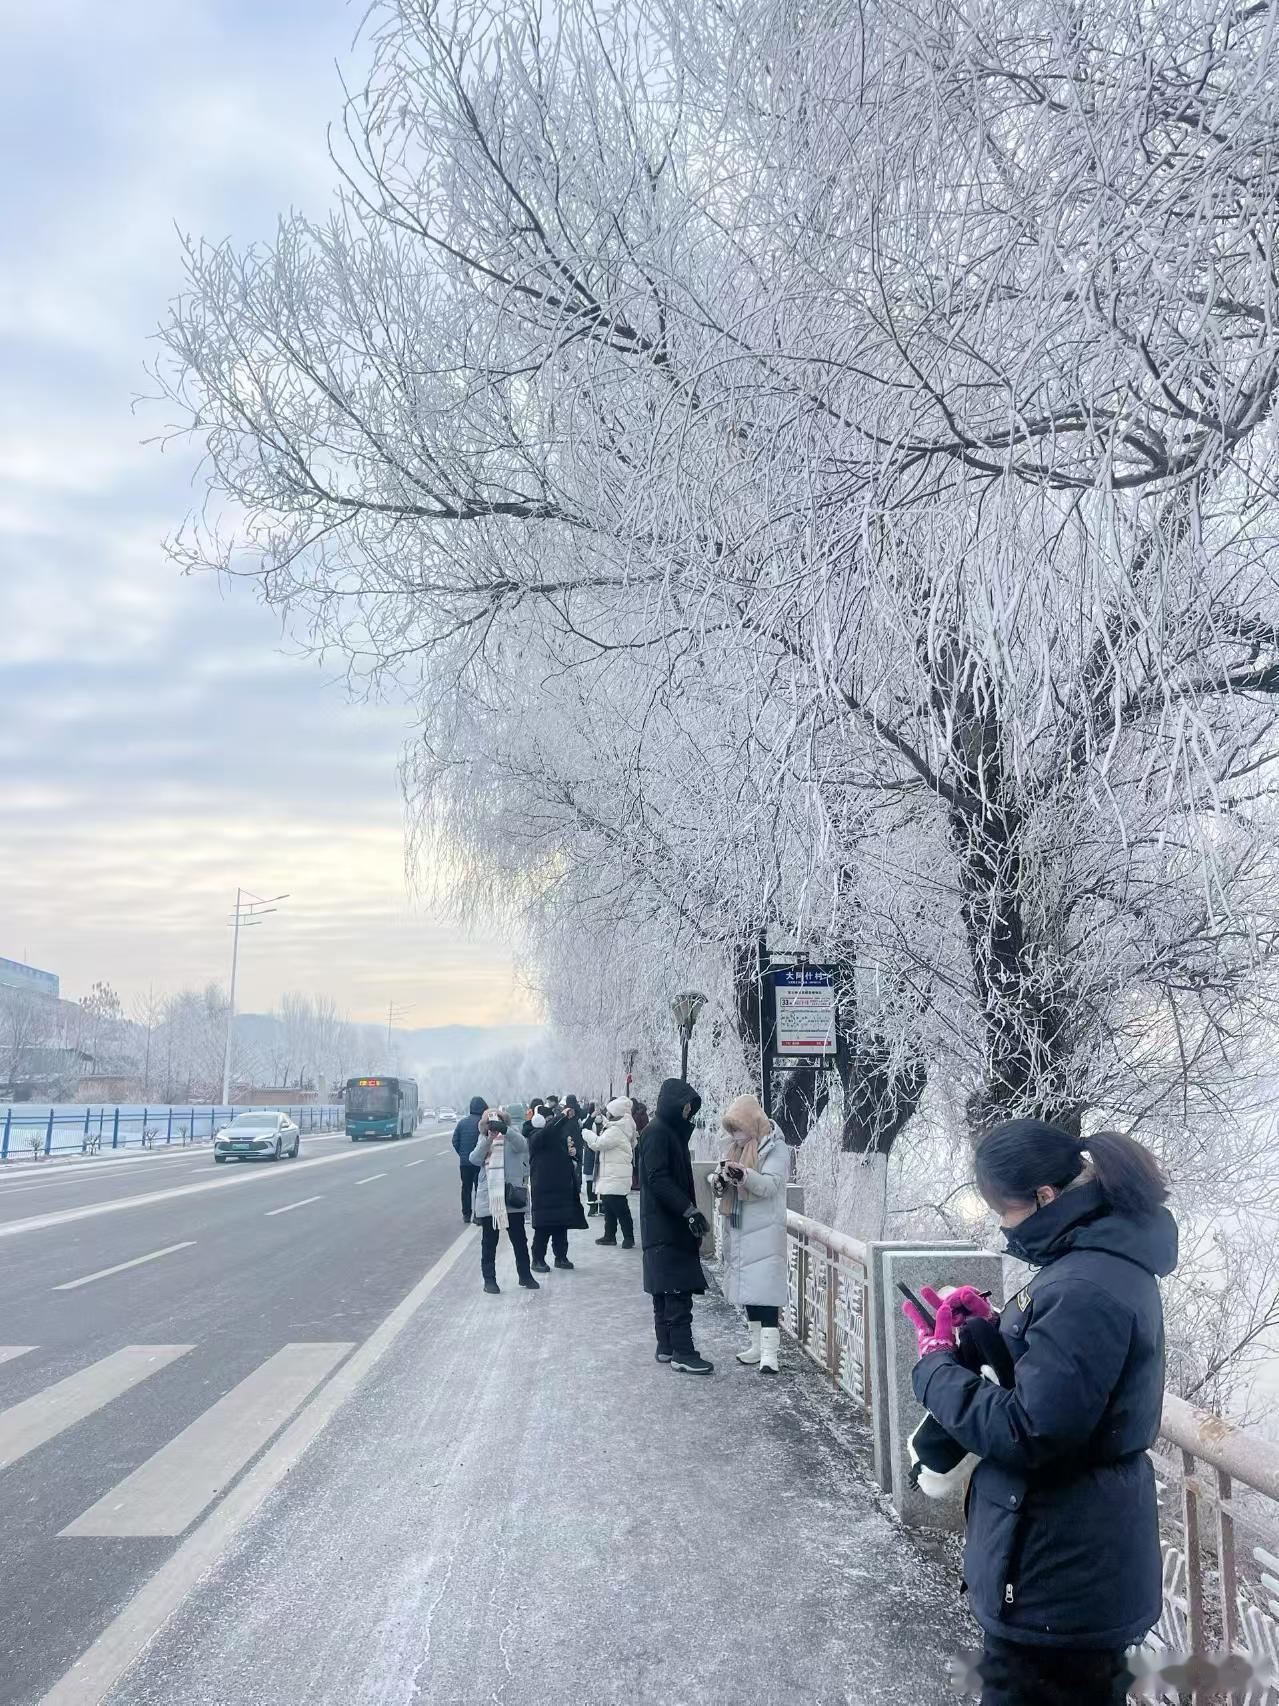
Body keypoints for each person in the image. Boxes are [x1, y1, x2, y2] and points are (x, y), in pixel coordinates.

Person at [902, 1119, 1177, 1706]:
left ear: (1045, 1198)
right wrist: (994, 1326)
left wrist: (933, 1369)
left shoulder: (1085, 1285)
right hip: (1070, 1560)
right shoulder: (1097, 1259)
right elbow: (1065, 1382)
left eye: (1002, 1211)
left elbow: (1029, 1428)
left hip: (1059, 1570)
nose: (1002, 1227)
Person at [708, 1093, 788, 1374]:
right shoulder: (734, 1148)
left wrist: (744, 1176)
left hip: (765, 1229)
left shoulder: (775, 1148)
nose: (736, 1135)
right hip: (741, 1225)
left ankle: (770, 1353)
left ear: (752, 1124)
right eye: (732, 1130)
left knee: (765, 1291)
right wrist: (720, 1178)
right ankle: (756, 1346)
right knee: (749, 1291)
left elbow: (770, 1186)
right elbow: (724, 1178)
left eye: (739, 1129)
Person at [638, 1077, 712, 1374]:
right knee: (676, 1288)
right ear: (672, 1105)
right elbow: (658, 1179)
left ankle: (667, 1346)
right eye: (684, 1108)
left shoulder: (663, 1132)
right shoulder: (658, 1133)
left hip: (661, 1222)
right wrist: (689, 1211)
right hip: (666, 1223)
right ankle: (683, 1351)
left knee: (664, 1287)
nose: (687, 1114)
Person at [470, 1108, 539, 1295]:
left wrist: (505, 1130)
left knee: (519, 1240)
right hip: (490, 1197)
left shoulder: (512, 1134)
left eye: (498, 1120)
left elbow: (523, 1146)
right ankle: (489, 1280)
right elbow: (474, 1159)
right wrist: (488, 1138)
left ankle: (525, 1275)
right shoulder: (483, 1139)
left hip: (511, 1196)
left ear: (504, 1120)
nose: (494, 1124)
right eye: (490, 1121)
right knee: (489, 1242)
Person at [528, 1099, 588, 1271]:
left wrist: (572, 1158)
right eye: (548, 1120)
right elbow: (548, 1131)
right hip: (544, 1188)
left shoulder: (557, 1137)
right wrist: (561, 1116)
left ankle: (561, 1257)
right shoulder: (535, 1136)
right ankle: (537, 1259)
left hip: (561, 1187)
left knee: (561, 1225)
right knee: (544, 1226)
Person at [587, 1096, 637, 1248]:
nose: (606, 1114)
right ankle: (610, 1235)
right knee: (609, 1205)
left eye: (608, 1111)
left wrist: (586, 1133)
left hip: (616, 1174)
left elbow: (598, 1143)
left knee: (619, 1207)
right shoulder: (621, 1127)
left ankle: (628, 1237)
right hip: (614, 1173)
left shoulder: (616, 1130)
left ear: (615, 1113)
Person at [451, 1095, 488, 1226]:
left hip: (465, 1163)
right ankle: (478, 1216)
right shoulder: (485, 1123)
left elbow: (455, 1141)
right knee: (479, 1188)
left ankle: (466, 1214)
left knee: (466, 1188)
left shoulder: (462, 1123)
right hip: (480, 1162)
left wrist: (462, 1154)